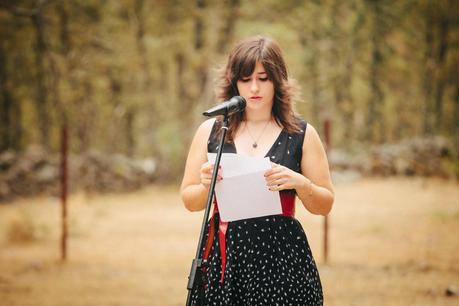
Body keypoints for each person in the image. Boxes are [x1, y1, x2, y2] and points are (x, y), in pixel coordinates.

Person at [180, 36, 334, 306]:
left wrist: (301, 183)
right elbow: (189, 201)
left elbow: (325, 204)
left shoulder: (301, 133)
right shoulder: (211, 132)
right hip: (225, 260)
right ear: (233, 82)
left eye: (263, 78)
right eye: (245, 78)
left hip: (283, 262)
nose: (254, 88)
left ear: (278, 80)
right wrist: (207, 185)